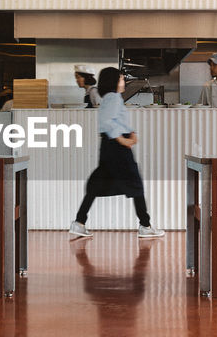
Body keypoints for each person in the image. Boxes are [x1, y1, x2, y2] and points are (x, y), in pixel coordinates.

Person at [70, 67, 164, 239]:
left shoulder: (110, 98)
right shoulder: (113, 98)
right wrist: (123, 139)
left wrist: (131, 132)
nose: (124, 82)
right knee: (135, 184)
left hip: (109, 148)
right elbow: (107, 122)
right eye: (121, 79)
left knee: (96, 184)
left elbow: (115, 120)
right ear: (113, 82)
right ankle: (145, 225)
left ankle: (79, 222)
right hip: (117, 149)